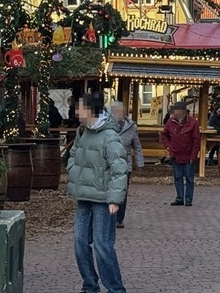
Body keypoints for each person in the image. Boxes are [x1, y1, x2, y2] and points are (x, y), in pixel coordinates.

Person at [67, 90, 128, 293]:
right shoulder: (82, 131)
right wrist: (73, 170)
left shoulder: (110, 137)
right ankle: (90, 286)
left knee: (103, 245)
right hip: (83, 196)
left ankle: (116, 289)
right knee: (80, 242)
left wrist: (114, 199)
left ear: (91, 110)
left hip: (103, 199)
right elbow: (73, 153)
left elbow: (120, 169)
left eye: (80, 108)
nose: (77, 112)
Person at [110, 101, 144, 228]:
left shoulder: (131, 127)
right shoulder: (107, 125)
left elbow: (137, 146)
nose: (119, 114)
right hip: (109, 164)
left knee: (122, 192)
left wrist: (139, 163)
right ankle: (109, 217)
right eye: (116, 111)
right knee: (109, 191)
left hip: (125, 165)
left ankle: (119, 219)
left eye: (121, 111)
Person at [160, 101, 200, 206]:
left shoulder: (192, 122)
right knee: (178, 177)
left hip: (188, 154)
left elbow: (196, 141)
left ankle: (188, 199)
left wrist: (193, 156)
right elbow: (164, 135)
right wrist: (169, 147)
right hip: (175, 154)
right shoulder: (170, 122)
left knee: (189, 178)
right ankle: (180, 198)